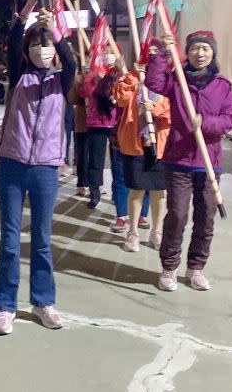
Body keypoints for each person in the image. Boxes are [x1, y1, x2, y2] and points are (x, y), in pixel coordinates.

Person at [0, 0, 76, 335]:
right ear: (28, 52)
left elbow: (72, 61)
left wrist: (53, 31)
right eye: (37, 46)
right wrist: (28, 5)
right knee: (10, 239)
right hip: (12, 164)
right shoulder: (19, 76)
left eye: (47, 47)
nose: (43, 52)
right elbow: (13, 39)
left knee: (42, 239)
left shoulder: (62, 80)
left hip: (45, 167)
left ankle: (43, 301)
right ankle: (5, 306)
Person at [145, 30, 232, 291]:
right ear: (187, 52)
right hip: (179, 161)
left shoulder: (222, 85)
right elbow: (153, 82)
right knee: (177, 215)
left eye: (205, 49)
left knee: (206, 217)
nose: (200, 53)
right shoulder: (177, 81)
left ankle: (196, 267)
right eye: (195, 48)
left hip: (209, 161)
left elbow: (230, 118)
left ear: (212, 53)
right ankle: (169, 268)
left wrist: (205, 123)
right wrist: (164, 52)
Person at [113, 39, 170, 251]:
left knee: (158, 191)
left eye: (157, 53)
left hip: (160, 145)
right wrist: (133, 76)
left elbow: (174, 110)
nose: (152, 57)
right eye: (149, 53)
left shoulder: (169, 80)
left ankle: (157, 231)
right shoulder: (133, 77)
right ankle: (133, 232)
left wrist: (155, 107)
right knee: (136, 189)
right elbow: (120, 97)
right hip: (135, 144)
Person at [79, 49, 121, 209]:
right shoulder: (93, 74)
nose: (108, 56)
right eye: (106, 53)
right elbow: (85, 93)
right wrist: (93, 78)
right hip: (96, 123)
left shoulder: (120, 74)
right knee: (96, 161)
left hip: (116, 123)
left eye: (112, 53)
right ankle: (94, 193)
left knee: (117, 162)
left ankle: (117, 194)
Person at [68, 60, 89, 197]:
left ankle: (95, 184)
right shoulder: (78, 79)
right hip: (82, 123)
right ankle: (81, 183)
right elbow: (72, 98)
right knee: (82, 154)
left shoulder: (101, 76)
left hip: (98, 124)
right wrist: (80, 84)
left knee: (94, 156)